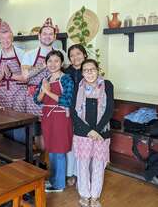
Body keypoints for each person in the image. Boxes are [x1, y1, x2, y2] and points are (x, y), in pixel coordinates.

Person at [71, 59, 113, 207]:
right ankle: (84, 194)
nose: (89, 73)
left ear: (98, 70)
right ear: (82, 72)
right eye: (85, 70)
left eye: (92, 69)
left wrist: (97, 130)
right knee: (82, 165)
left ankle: (95, 196)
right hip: (82, 133)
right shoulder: (78, 86)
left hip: (102, 133)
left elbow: (109, 110)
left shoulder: (107, 85)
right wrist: (89, 131)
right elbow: (73, 112)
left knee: (98, 166)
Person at [34, 50, 74, 193]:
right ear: (45, 63)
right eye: (49, 61)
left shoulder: (66, 79)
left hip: (61, 117)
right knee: (51, 150)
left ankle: (59, 185)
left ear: (62, 63)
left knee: (60, 151)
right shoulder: (45, 79)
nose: (52, 64)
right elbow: (36, 100)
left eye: (56, 61)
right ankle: (53, 180)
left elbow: (66, 101)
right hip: (47, 117)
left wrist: (48, 91)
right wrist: (44, 90)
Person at [65, 44, 88, 187]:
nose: (75, 57)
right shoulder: (66, 72)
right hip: (70, 112)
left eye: (78, 54)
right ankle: (70, 173)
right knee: (71, 143)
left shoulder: (90, 70)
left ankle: (82, 173)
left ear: (84, 55)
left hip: (87, 113)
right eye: (72, 55)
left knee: (84, 143)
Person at [0, 20, 26, 112]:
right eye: (3, 38)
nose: (5, 41)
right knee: (1, 119)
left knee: (18, 118)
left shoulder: (21, 53)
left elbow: (26, 77)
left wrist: (11, 74)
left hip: (19, 90)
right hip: (2, 92)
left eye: (8, 38)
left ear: (12, 39)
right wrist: (2, 74)